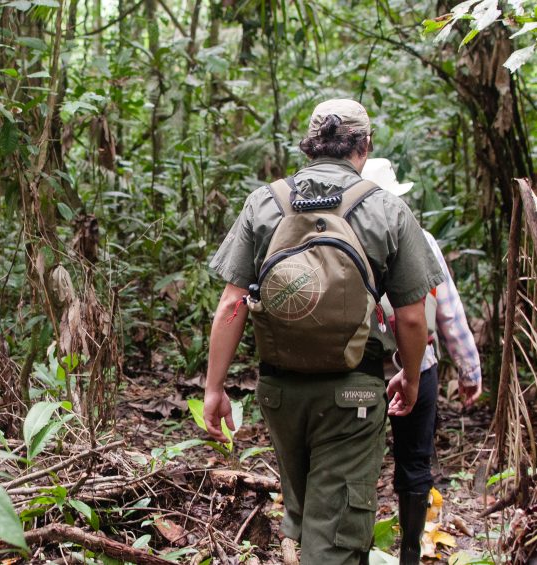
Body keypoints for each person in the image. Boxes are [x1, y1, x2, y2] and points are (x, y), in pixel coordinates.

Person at [203, 99, 445, 565]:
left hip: (279, 392)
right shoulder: (385, 209)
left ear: (311, 144)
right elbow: (413, 317)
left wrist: (215, 387)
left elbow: (232, 303)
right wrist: (410, 378)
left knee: (303, 508)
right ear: (365, 146)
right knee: (334, 539)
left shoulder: (265, 202)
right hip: (351, 395)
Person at [361, 158, 482, 565]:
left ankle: (354, 551)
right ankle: (411, 552)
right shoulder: (419, 238)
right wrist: (469, 369)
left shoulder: (338, 238)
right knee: (414, 460)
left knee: (356, 461)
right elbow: (445, 309)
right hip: (417, 364)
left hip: (355, 369)